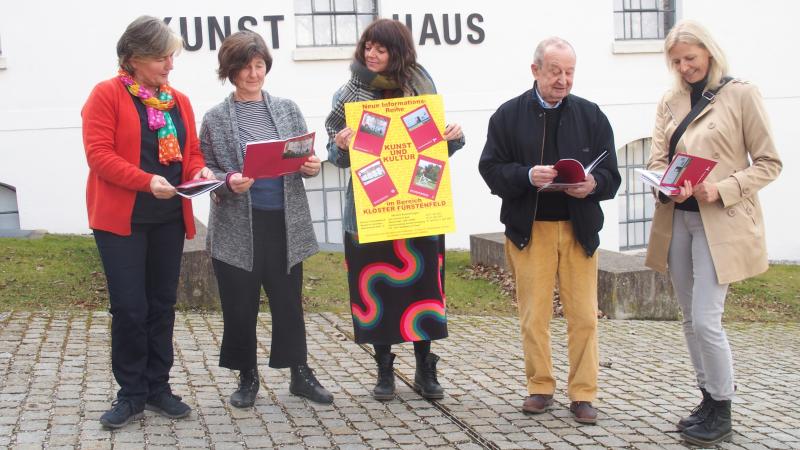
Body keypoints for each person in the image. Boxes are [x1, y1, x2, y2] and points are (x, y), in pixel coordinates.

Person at [645, 20, 782, 446]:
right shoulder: (670, 100)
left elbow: (768, 162)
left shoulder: (741, 93)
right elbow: (655, 159)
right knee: (689, 319)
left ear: (708, 52)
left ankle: (722, 407)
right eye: (677, 61)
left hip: (719, 220)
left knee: (706, 319)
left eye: (690, 58)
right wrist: (662, 182)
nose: (684, 67)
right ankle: (706, 398)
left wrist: (719, 189)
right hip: (677, 219)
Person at [478, 37, 621, 424]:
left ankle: (583, 394)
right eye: (555, 71)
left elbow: (612, 175)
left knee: (585, 317)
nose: (563, 80)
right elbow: (490, 169)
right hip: (531, 229)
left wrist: (593, 186)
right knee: (534, 316)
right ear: (535, 70)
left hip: (579, 229)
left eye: (570, 72)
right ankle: (540, 387)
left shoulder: (592, 115)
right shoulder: (508, 115)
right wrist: (526, 175)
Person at [81, 16, 212, 428]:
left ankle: (158, 388)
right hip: (123, 221)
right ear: (134, 59)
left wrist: (200, 172)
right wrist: (145, 180)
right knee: (130, 308)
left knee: (161, 306)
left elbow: (190, 152)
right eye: (160, 57)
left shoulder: (178, 101)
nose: (169, 64)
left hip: (169, 218)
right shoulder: (105, 95)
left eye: (171, 56)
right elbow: (99, 156)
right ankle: (131, 393)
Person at [324, 19, 465, 401]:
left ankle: (424, 368)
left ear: (398, 52)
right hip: (372, 209)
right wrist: (340, 144)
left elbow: (435, 148)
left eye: (381, 49)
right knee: (378, 291)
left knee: (422, 290)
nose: (371, 54)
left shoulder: (421, 84)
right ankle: (384, 369)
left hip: (418, 206)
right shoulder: (349, 93)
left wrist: (454, 137)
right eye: (367, 46)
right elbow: (335, 157)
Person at [200, 30, 332, 408]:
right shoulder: (215, 118)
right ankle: (247, 377)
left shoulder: (287, 109)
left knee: (288, 301)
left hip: (284, 222)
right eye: (245, 67)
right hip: (238, 225)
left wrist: (311, 166)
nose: (253, 74)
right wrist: (227, 182)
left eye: (259, 65)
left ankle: (300, 374)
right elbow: (204, 169)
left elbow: (303, 157)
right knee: (240, 304)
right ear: (231, 71)